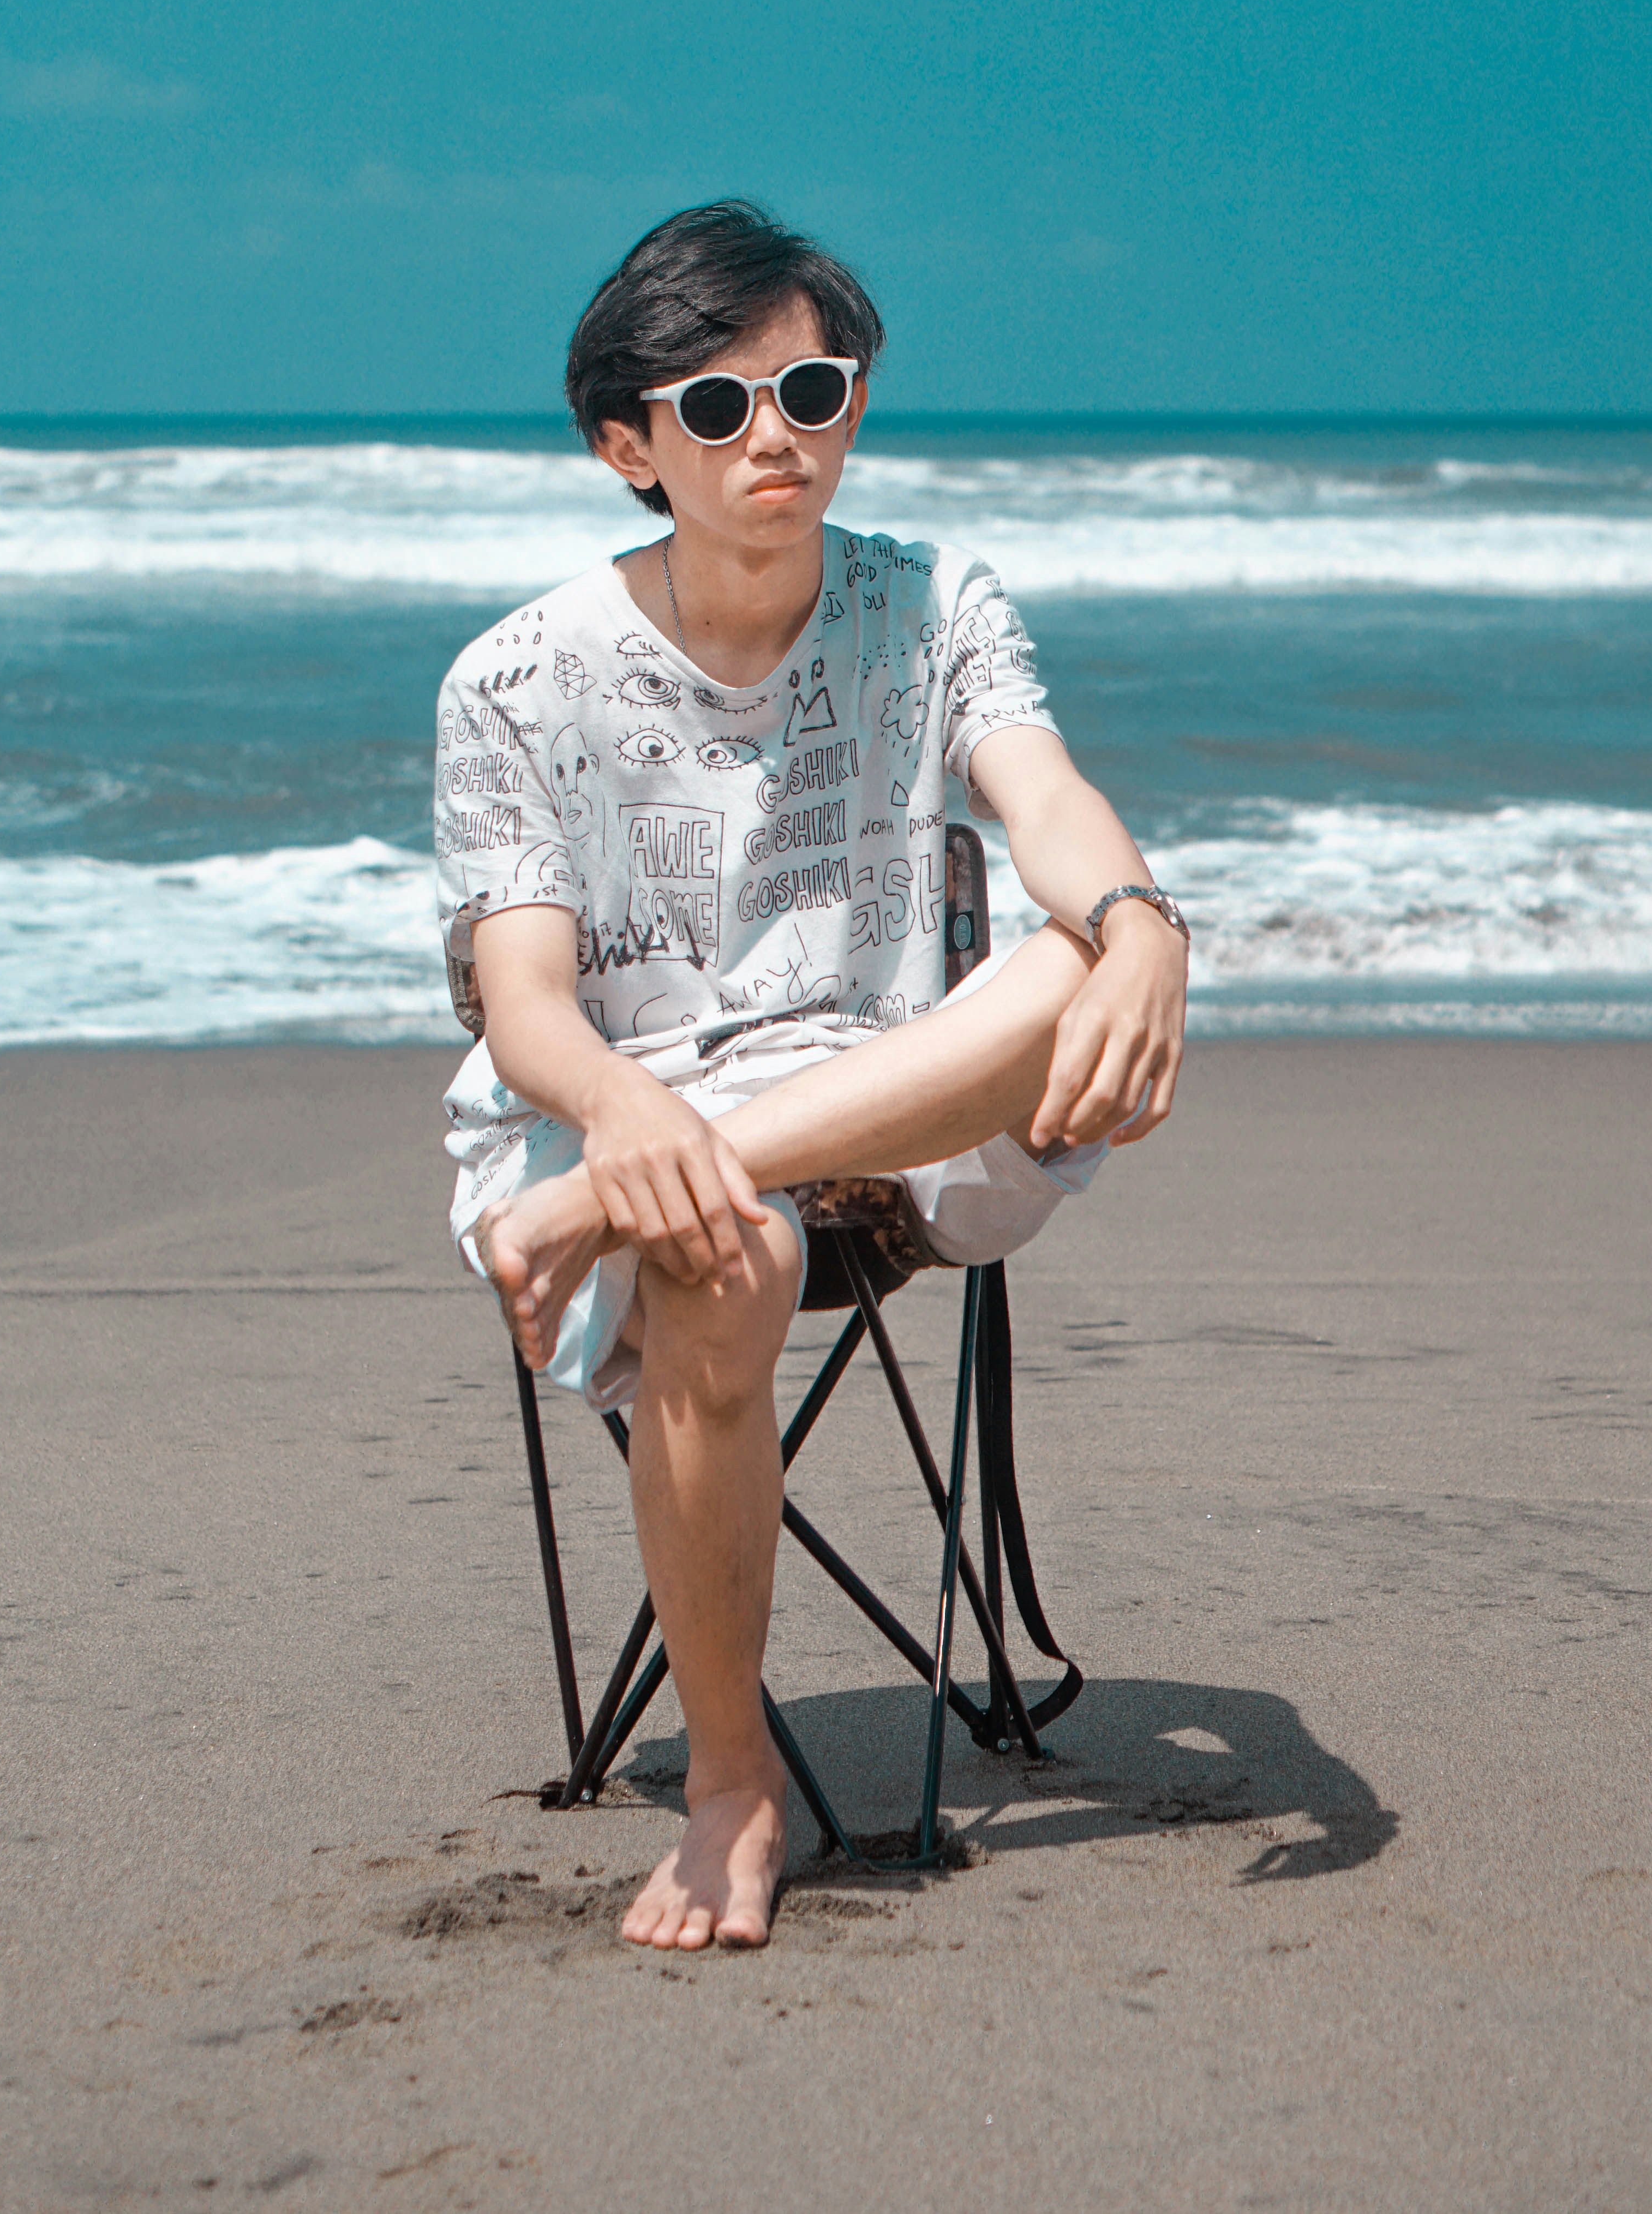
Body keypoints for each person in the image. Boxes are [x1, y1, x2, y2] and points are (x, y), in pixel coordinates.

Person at [434, 200, 1188, 1953]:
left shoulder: (927, 601)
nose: (772, 436)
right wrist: (630, 1127)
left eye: (812, 390)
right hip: (605, 1112)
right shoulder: (514, 678)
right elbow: (523, 1002)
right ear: (627, 444)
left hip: (892, 1102)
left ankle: (661, 1185)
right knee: (723, 1247)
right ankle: (727, 1789)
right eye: (714, 408)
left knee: (1075, 951)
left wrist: (1148, 928)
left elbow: (1047, 798)